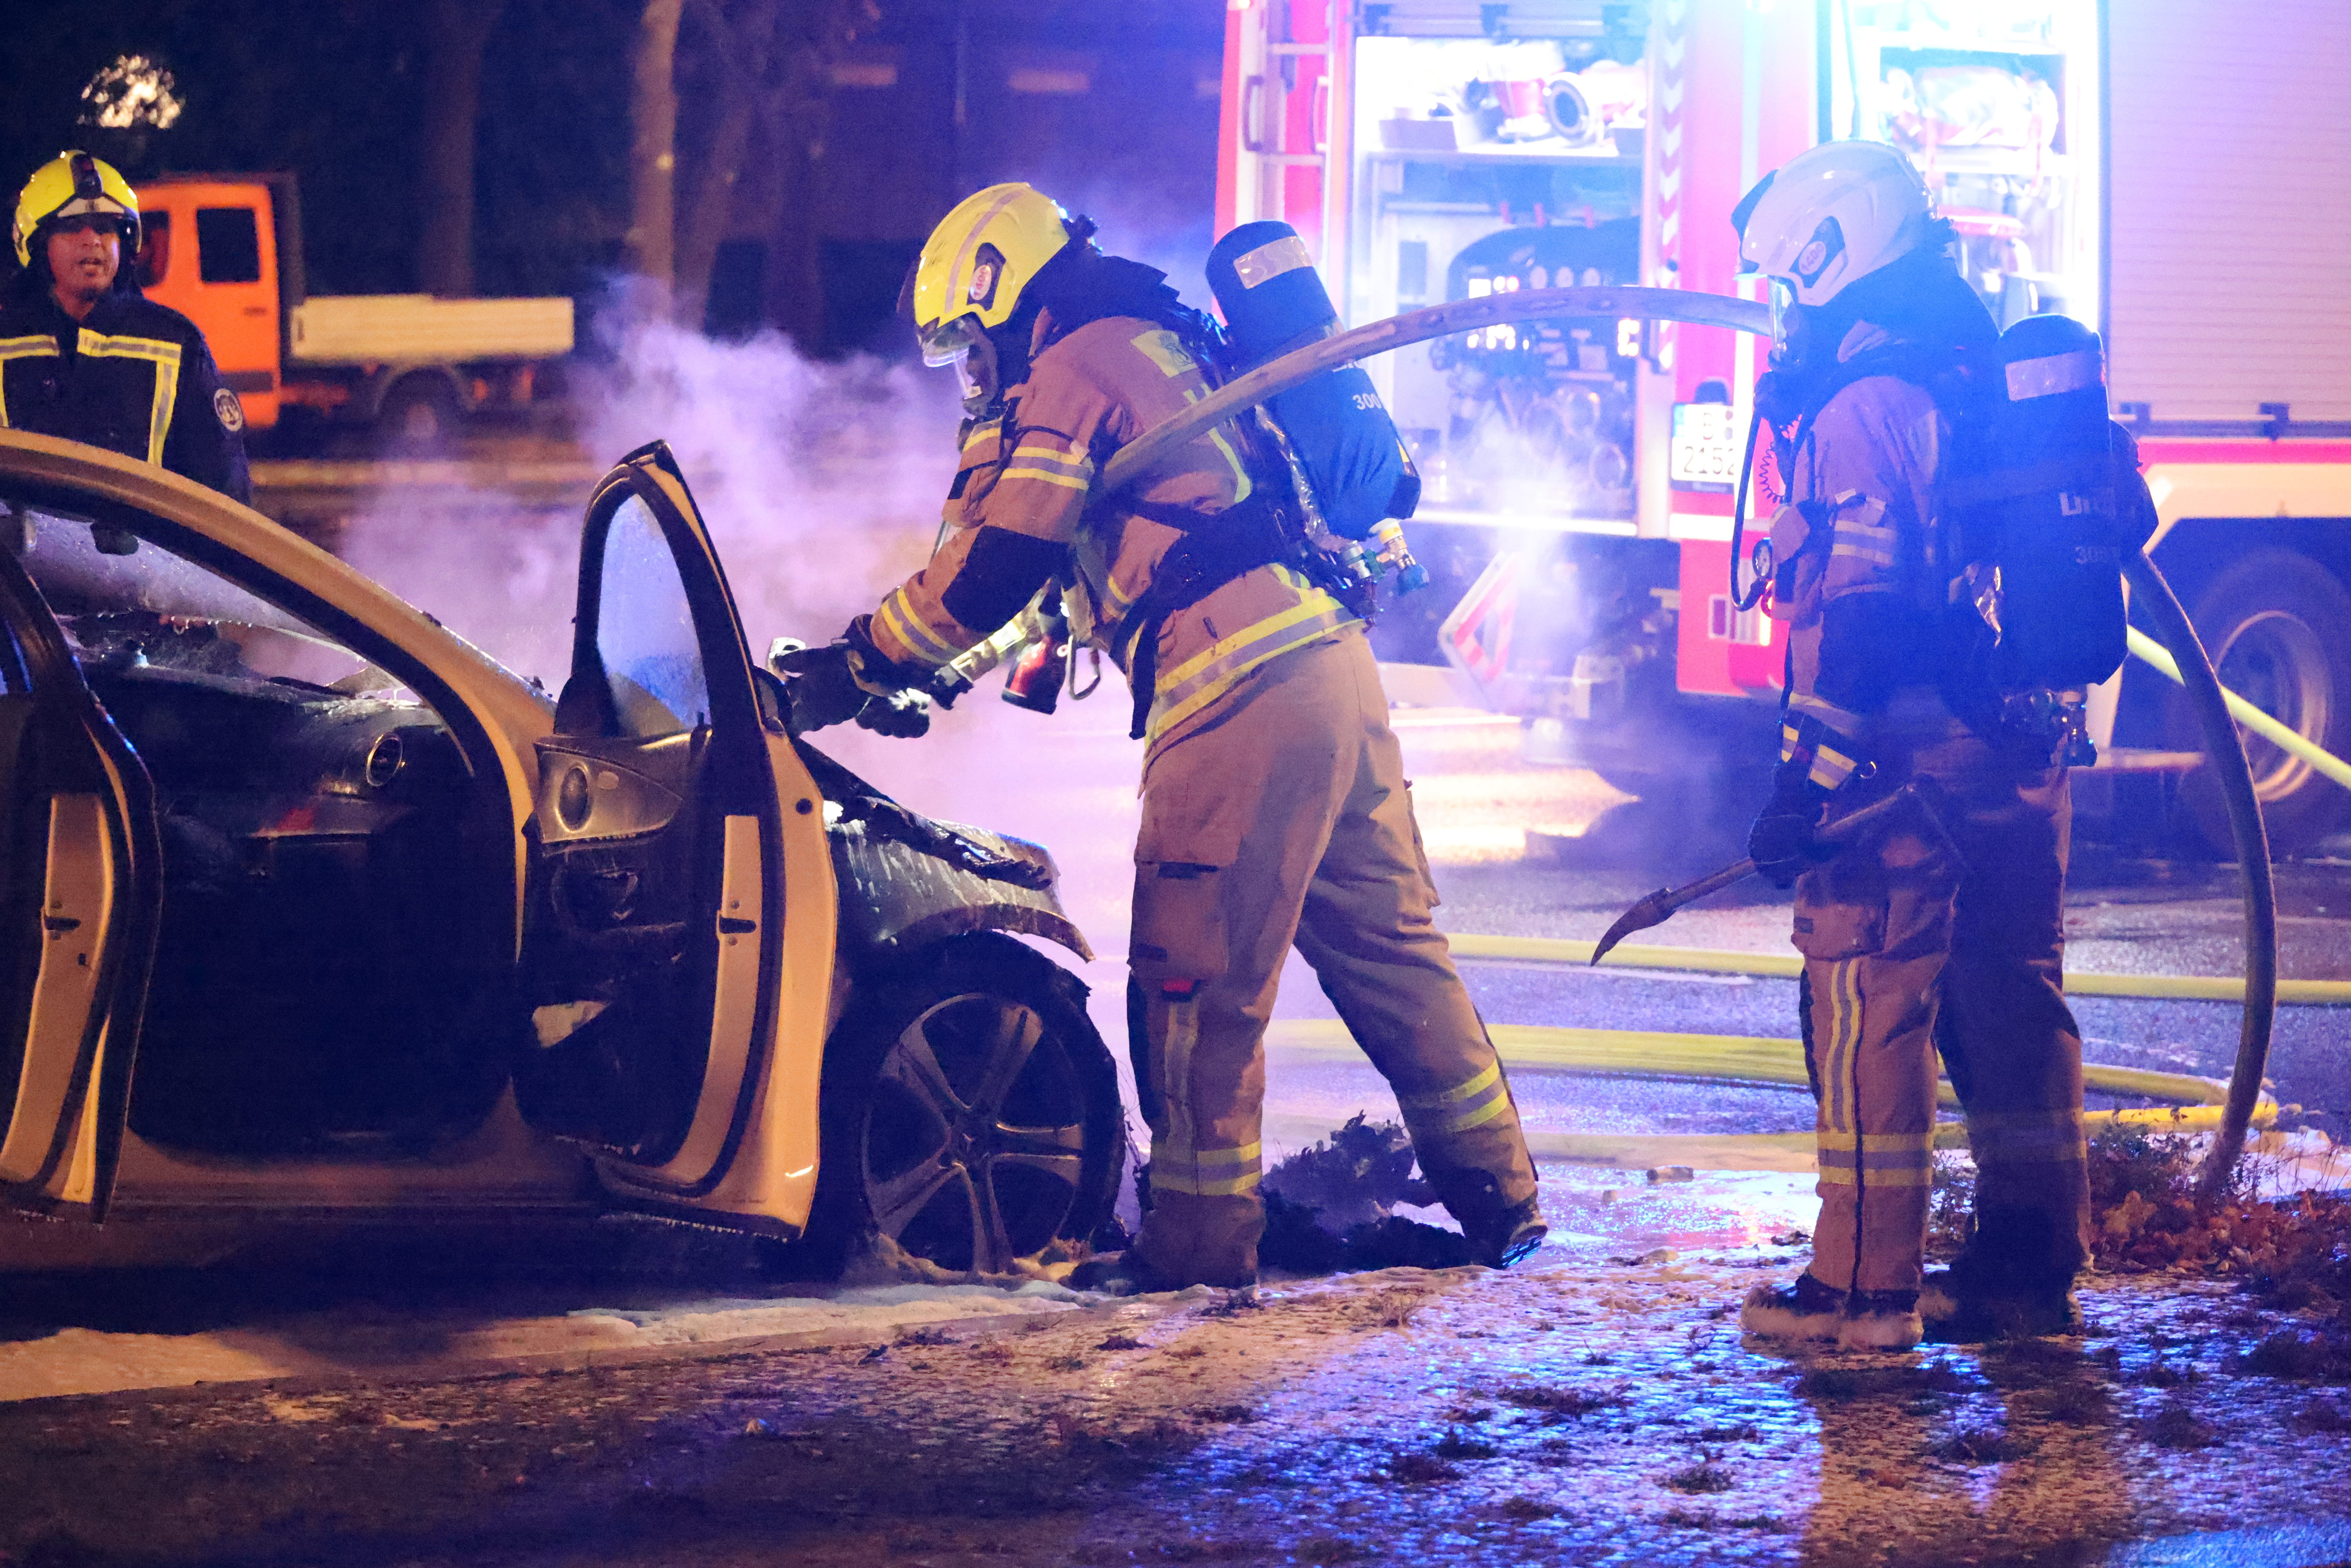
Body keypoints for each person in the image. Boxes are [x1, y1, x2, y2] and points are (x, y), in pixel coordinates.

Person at [781, 183, 1546, 1290]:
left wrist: (859, 661)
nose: (969, 374)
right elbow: (1082, 577)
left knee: (1192, 988)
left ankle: (1193, 1242)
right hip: (1328, 672)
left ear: (998, 294)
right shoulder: (1164, 340)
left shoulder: (1073, 367)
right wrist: (940, 675)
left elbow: (999, 560)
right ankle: (1502, 1200)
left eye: (965, 346)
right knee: (1395, 959)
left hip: (1234, 693)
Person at [1728, 141, 2090, 1350]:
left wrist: (1803, 781)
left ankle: (1862, 1290)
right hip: (2016, 749)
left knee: (1865, 1001)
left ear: (1834, 254)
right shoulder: (1967, 361)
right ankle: (2028, 1272)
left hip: (1909, 764)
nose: (1785, 308)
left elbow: (1868, 616)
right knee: (2010, 1005)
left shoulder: (1864, 399)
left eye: (1791, 281)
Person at [1, 150, 251, 503]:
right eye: (73, 228)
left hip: (142, 559)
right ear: (38, 245)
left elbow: (226, 495)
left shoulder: (177, 344)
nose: (94, 240)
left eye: (107, 228)